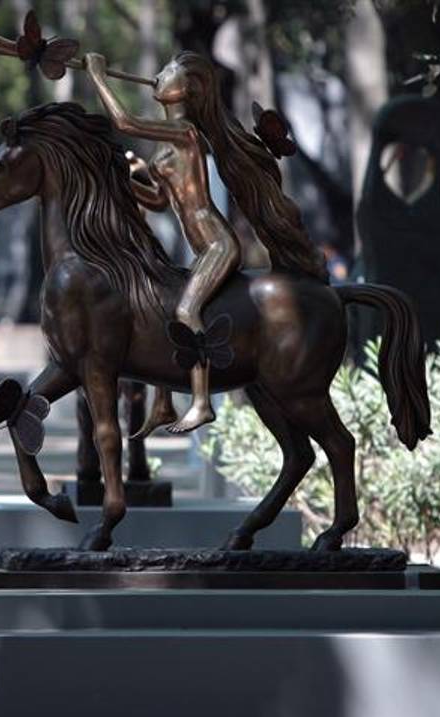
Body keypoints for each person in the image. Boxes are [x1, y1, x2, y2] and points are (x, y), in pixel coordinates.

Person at [85, 51, 324, 436]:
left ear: (185, 91)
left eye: (168, 73)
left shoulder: (185, 132)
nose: (157, 76)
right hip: (200, 249)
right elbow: (161, 202)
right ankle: (163, 405)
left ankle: (200, 403)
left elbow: (124, 121)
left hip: (217, 244)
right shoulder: (163, 148)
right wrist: (121, 179)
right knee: (161, 310)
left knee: (184, 312)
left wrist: (98, 77)